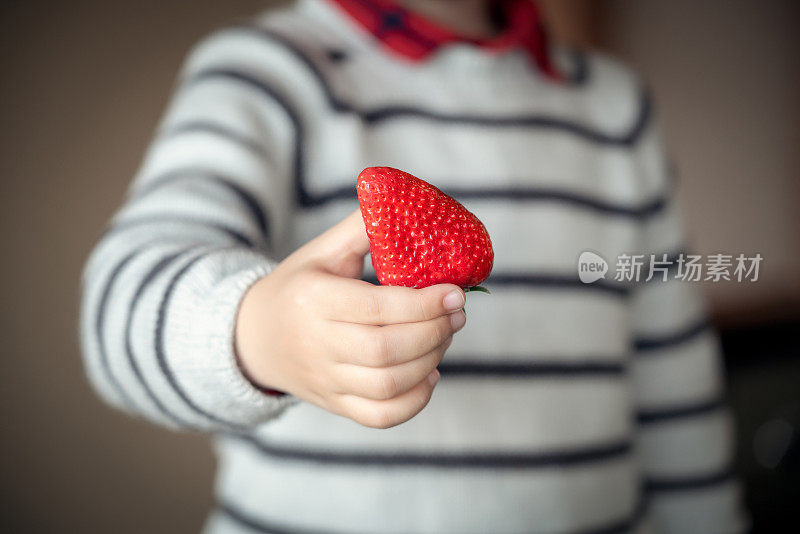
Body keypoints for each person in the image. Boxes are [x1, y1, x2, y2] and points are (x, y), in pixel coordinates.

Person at [79, 0, 747, 532]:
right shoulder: (267, 75)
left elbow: (676, 382)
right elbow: (120, 301)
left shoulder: (616, 110)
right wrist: (261, 336)